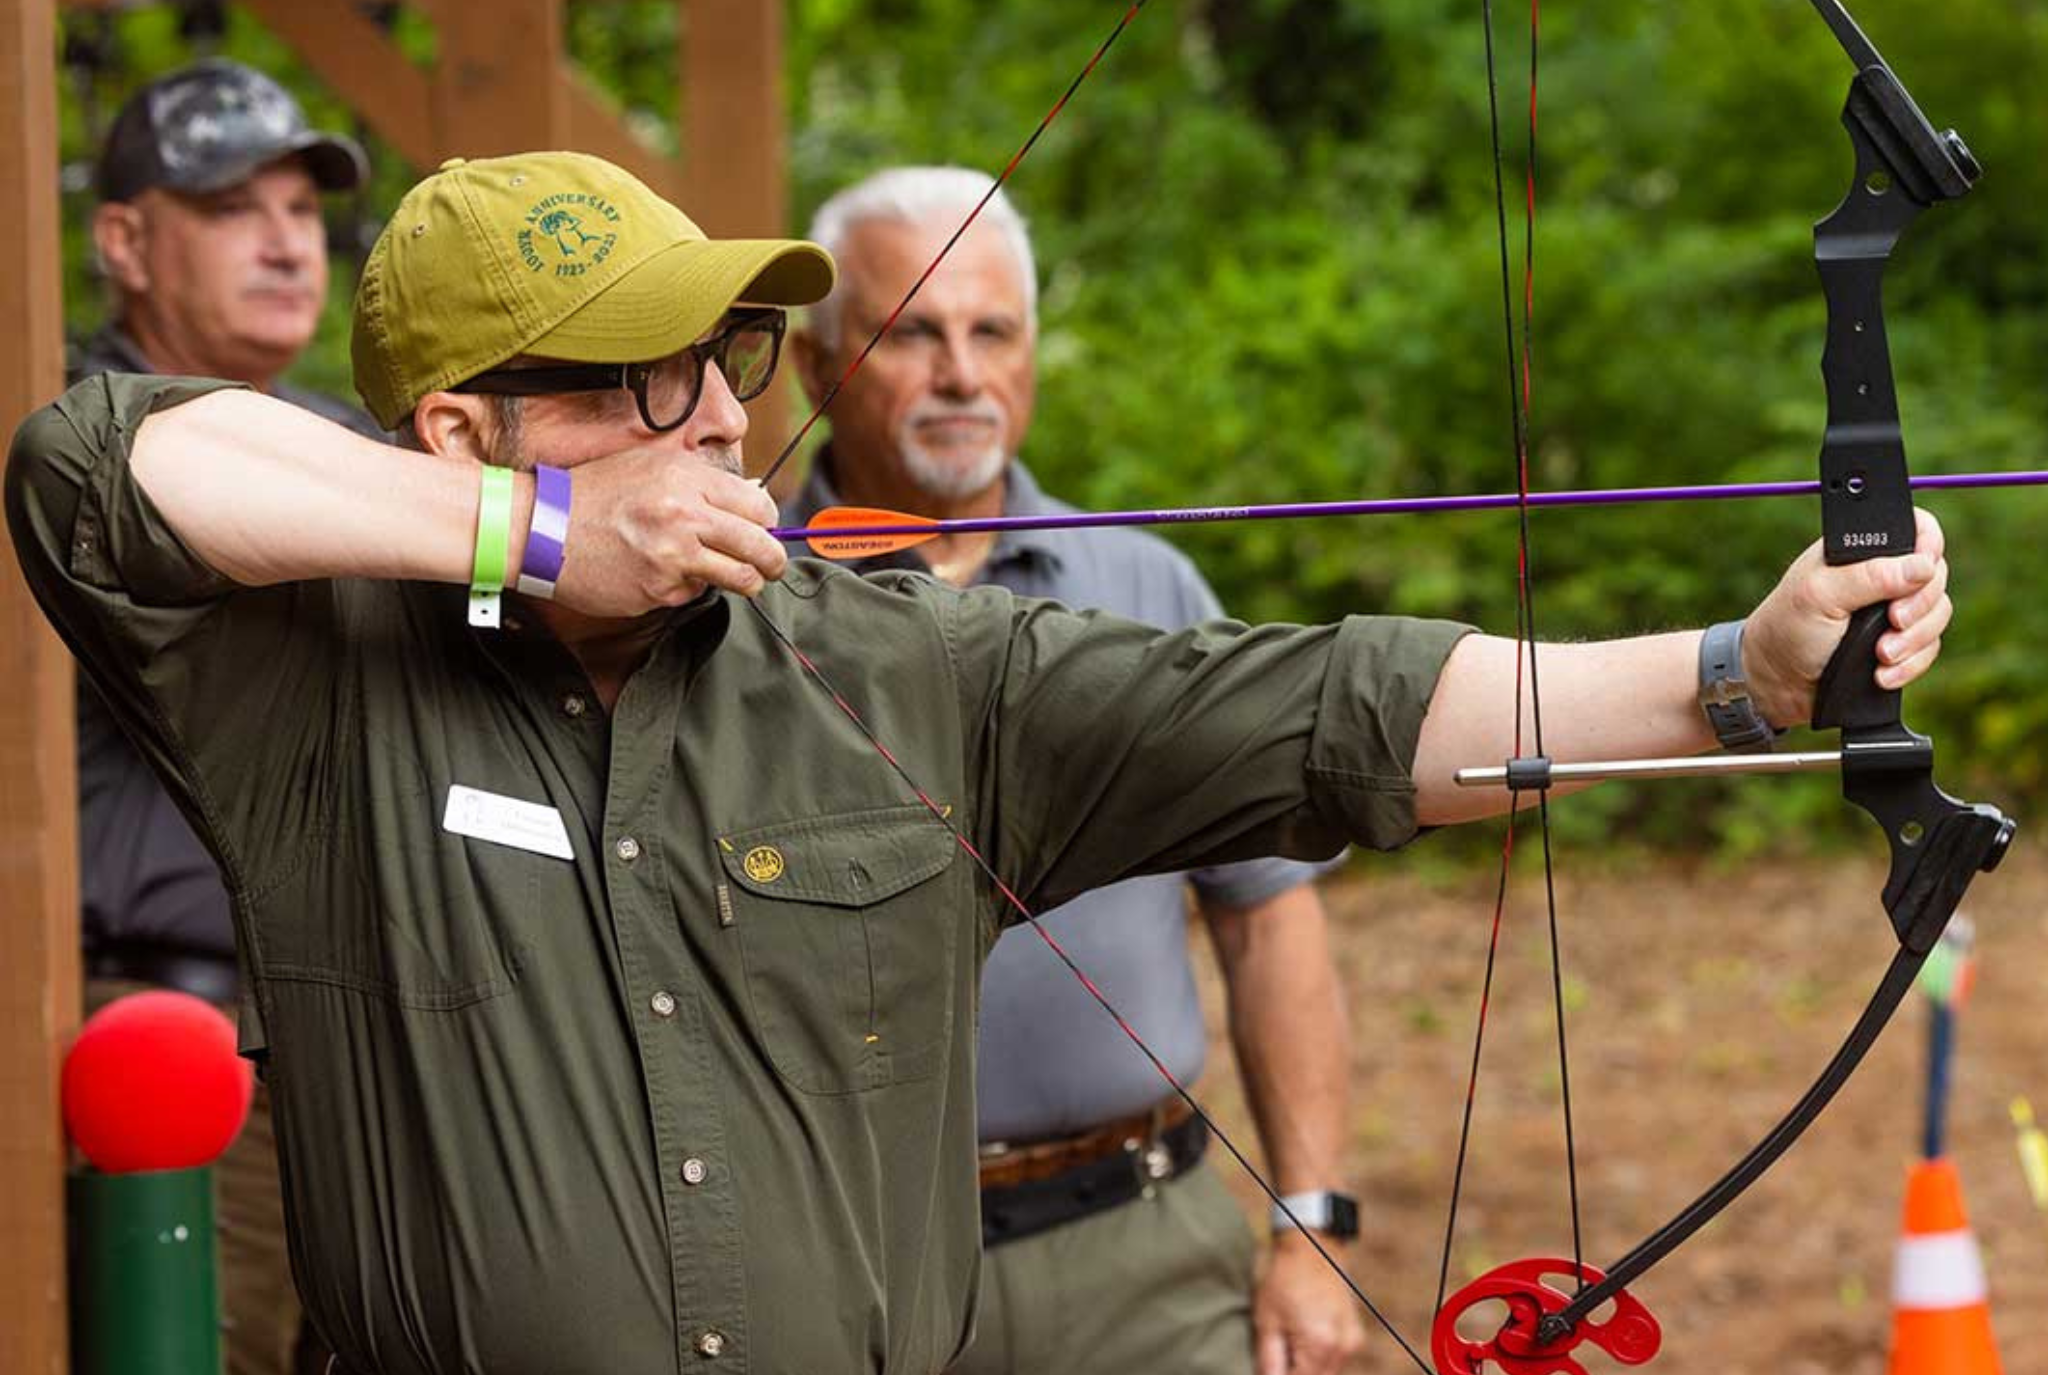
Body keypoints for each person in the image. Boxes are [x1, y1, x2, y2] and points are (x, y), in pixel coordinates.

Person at [6, 149, 1958, 1375]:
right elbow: (93, 466)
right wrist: (541, 543)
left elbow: (1332, 708)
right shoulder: (302, 690)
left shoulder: (901, 663)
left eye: (728, 358)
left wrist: (1739, 670)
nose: (707, 414)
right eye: (631, 378)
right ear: (452, 433)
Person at [784, 167, 1365, 1375]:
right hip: (840, 1271)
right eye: (911, 334)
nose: (960, 375)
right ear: (813, 362)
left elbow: (1267, 921)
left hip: (1144, 1260)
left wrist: (1310, 1225)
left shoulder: (1145, 590)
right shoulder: (727, 601)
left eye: (991, 330)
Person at [74, 57, 371, 1375]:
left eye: (304, 212)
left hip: (358, 1056)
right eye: (231, 206)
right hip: (162, 1048)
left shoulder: (347, 444)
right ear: (125, 240)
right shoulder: (64, 438)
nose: (284, 241)